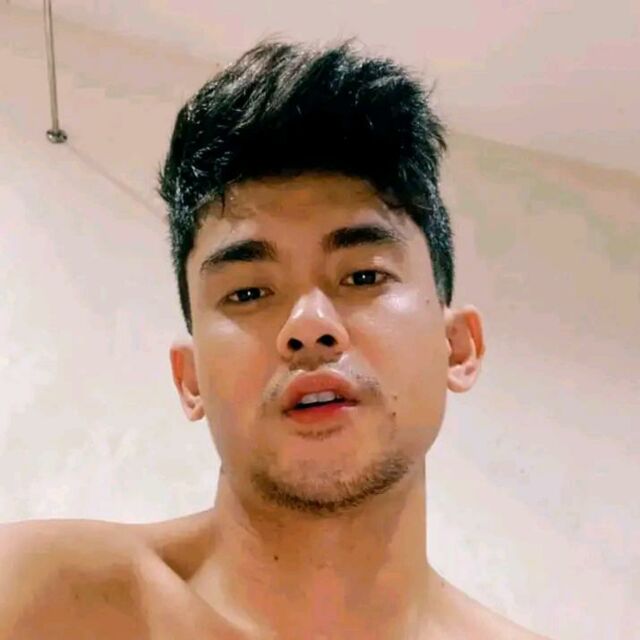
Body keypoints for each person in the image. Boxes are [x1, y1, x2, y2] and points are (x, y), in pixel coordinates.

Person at [0, 37, 548, 639]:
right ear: (190, 380)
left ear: (458, 347)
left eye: (363, 277)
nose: (309, 325)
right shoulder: (32, 598)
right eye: (248, 293)